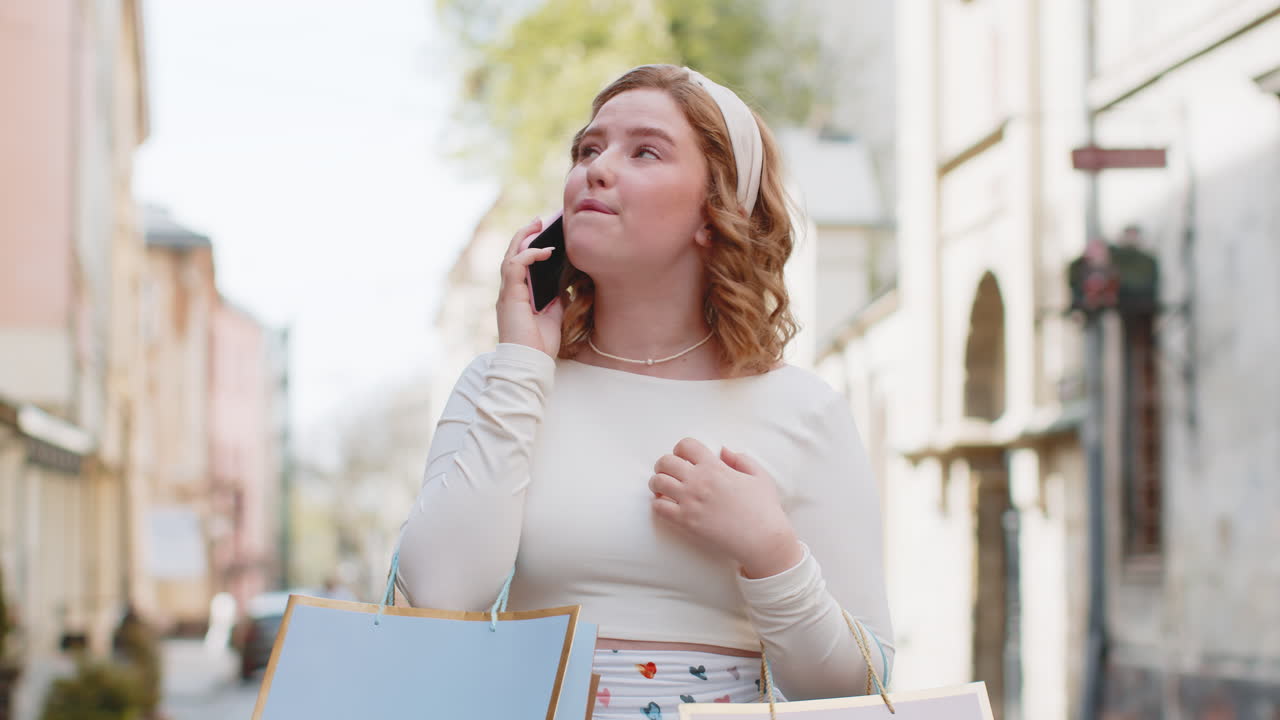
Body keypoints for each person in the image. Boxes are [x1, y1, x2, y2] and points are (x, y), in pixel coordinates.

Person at [396, 64, 893, 718]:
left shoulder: (805, 409)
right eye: (588, 149)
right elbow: (438, 596)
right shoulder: (502, 383)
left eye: (645, 151)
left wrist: (768, 549)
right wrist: (521, 360)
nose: (596, 169)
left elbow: (858, 688)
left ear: (714, 214)